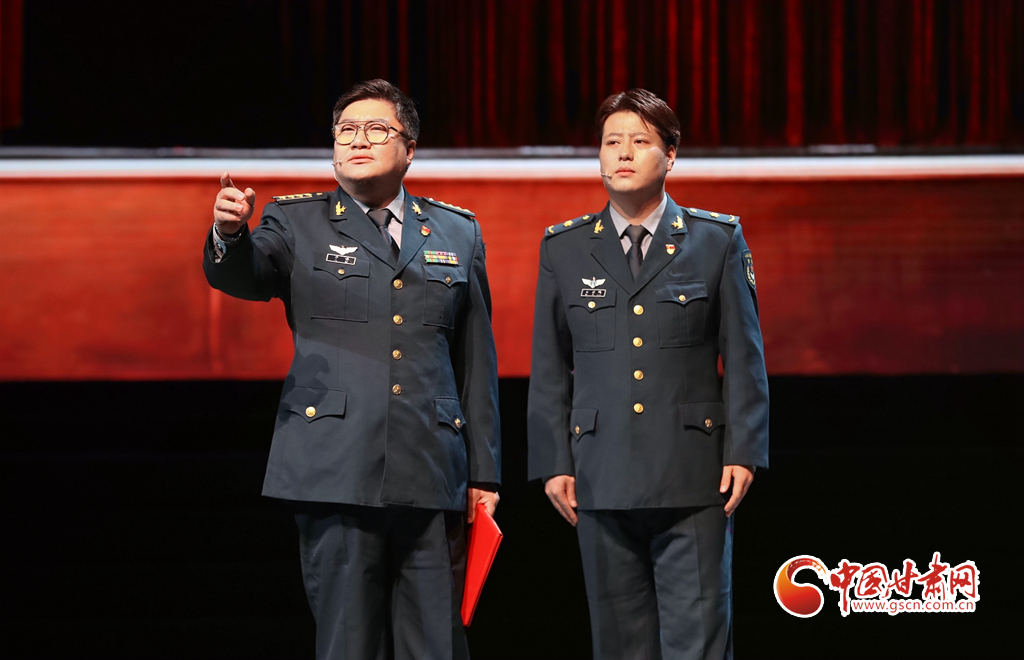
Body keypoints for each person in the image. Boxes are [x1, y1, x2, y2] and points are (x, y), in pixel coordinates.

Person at [204, 79, 500, 660]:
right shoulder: (296, 222)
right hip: (335, 468)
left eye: (376, 129)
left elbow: (475, 361)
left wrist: (484, 476)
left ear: (409, 148)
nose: (358, 141)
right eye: (346, 130)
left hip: (432, 471)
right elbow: (244, 275)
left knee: (437, 646)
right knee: (349, 645)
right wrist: (229, 234)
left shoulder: (457, 232)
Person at [527, 88, 769, 660]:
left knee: (699, 643)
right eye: (612, 142)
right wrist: (554, 461)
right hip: (600, 474)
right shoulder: (564, 248)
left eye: (640, 141)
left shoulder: (715, 240)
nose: (623, 153)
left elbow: (744, 357)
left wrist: (744, 451)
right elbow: (549, 366)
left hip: (694, 476)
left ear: (671, 154)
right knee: (619, 646)